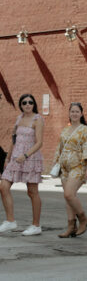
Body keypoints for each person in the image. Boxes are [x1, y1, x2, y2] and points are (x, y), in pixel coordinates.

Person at [53, 102, 87, 238]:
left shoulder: (85, 130)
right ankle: (71, 226)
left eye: (77, 111)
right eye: (72, 111)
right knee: (68, 198)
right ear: (69, 113)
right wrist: (57, 164)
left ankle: (83, 218)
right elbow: (59, 148)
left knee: (69, 194)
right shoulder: (65, 130)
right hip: (65, 168)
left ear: (81, 114)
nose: (74, 114)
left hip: (78, 166)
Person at [0, 93, 44, 236]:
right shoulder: (19, 119)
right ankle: (10, 221)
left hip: (30, 158)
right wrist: (8, 157)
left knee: (32, 192)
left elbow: (39, 142)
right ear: (21, 105)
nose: (27, 105)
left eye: (30, 102)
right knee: (3, 186)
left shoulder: (38, 119)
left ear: (34, 104)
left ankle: (36, 225)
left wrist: (25, 155)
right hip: (15, 158)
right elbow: (14, 139)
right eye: (24, 102)